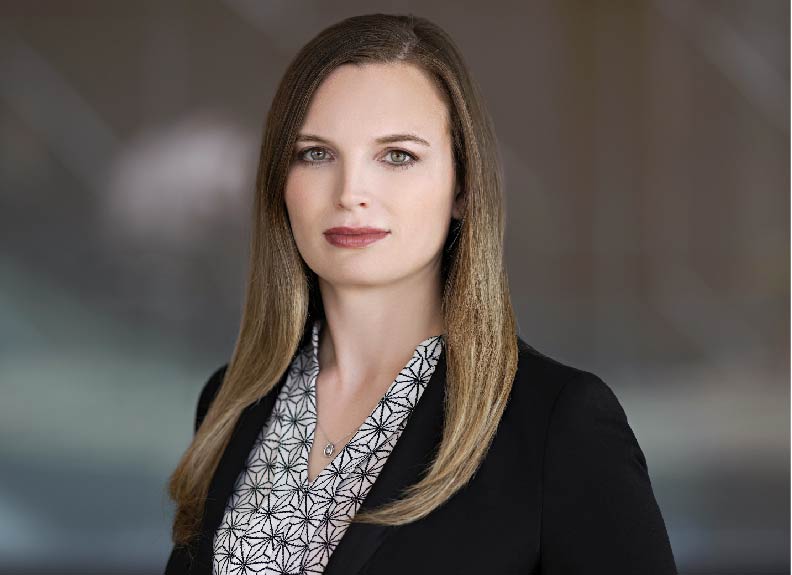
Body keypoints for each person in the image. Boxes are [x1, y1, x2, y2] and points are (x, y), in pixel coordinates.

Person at [164, 12, 677, 575]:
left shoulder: (560, 424)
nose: (351, 191)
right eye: (315, 153)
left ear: (463, 185)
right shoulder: (232, 402)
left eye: (398, 156)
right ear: (279, 183)